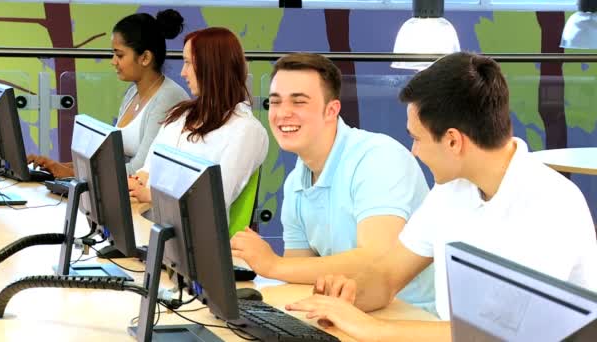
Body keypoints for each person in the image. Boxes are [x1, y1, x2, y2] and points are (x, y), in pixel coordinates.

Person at [285, 52, 597, 341]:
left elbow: (499, 335)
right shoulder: (451, 189)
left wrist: (374, 328)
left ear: (452, 141)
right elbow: (389, 273)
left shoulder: (552, 205)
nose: (413, 151)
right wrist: (349, 296)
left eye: (416, 138)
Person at [229, 53, 435, 312]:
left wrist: (272, 264)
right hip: (347, 313)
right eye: (275, 102)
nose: (283, 113)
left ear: (331, 110)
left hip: (408, 317)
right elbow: (299, 271)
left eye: (299, 102)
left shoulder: (378, 157)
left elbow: (377, 259)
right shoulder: (295, 182)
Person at [127, 27, 268, 222]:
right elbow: (149, 168)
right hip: (155, 224)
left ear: (211, 66)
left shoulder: (247, 131)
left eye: (188, 63)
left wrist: (150, 194)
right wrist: (138, 181)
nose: (183, 73)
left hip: (193, 239)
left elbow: (214, 199)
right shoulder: (181, 115)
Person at [27, 9, 189, 178]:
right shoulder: (133, 92)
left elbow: (139, 169)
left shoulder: (168, 98)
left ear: (145, 58)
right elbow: (111, 161)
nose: (113, 62)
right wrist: (55, 166)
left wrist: (69, 174)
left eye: (119, 55)